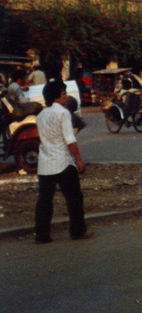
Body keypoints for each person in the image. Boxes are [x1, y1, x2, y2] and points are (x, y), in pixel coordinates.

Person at [34, 79, 91, 243]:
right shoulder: (63, 113)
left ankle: (41, 234)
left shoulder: (41, 115)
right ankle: (77, 231)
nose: (66, 96)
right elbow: (70, 140)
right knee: (74, 198)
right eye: (64, 93)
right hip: (62, 162)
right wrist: (79, 160)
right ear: (57, 96)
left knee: (44, 200)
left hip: (45, 163)